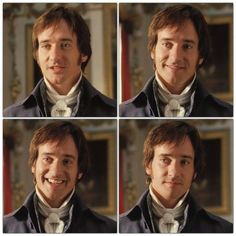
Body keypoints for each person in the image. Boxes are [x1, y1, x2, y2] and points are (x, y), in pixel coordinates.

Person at [119, 4, 233, 117]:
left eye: (187, 46)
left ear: (201, 56)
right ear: (153, 51)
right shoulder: (123, 113)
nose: (175, 57)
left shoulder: (228, 113)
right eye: (167, 44)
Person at [120, 121, 233, 233]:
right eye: (165, 160)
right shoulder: (119, 228)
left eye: (184, 162)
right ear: (148, 166)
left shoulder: (224, 231)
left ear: (195, 172)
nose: (174, 173)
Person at [4, 121, 117, 233]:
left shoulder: (110, 230)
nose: (56, 172)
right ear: (33, 165)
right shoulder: (5, 228)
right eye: (48, 159)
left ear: (80, 171)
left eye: (67, 161)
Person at [4, 6, 116, 117]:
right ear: (37, 55)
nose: (54, 56)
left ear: (84, 53)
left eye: (65, 45)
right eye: (46, 46)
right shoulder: (10, 115)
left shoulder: (114, 112)